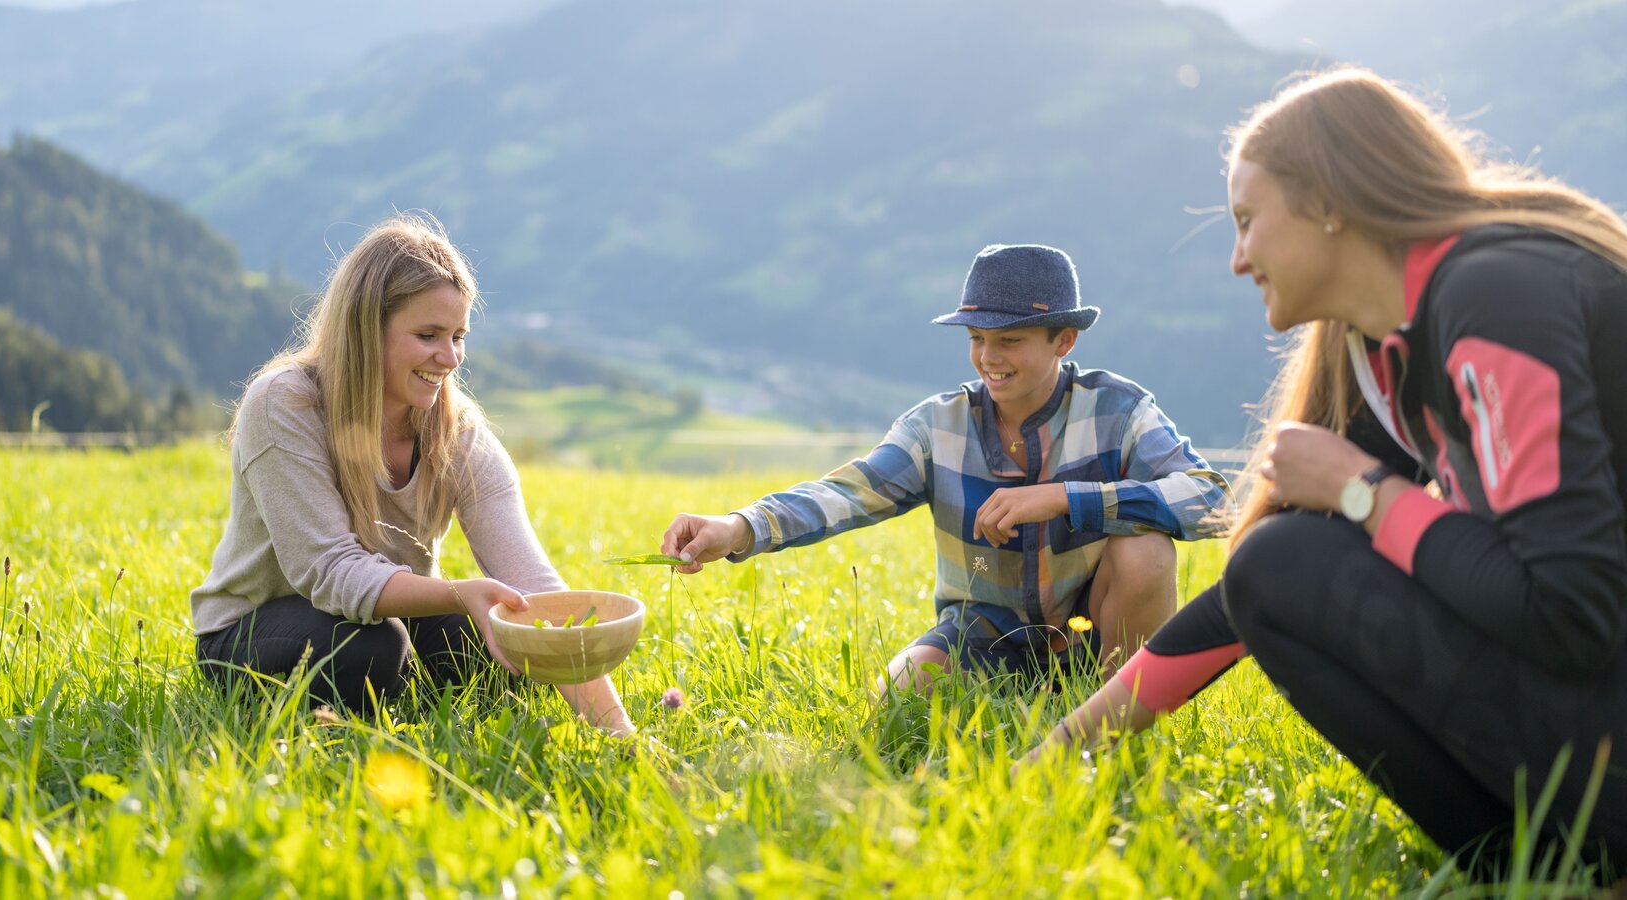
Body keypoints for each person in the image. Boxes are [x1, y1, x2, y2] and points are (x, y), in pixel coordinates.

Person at [1031, 67, 1627, 880]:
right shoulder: (1387, 349)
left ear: (1328, 203)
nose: (1239, 259)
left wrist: (1364, 493)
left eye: (1247, 221)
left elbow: (1567, 609)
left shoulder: (1498, 296)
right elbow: (1261, 593)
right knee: (1275, 565)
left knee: (1282, 560)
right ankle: (1540, 868)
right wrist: (1057, 752)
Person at [660, 243, 1230, 690]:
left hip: (1091, 630)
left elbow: (1212, 500)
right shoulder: (936, 427)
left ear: (1065, 340)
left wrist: (1065, 497)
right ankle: (1029, 703)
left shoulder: (1120, 409)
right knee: (897, 699)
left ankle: (1114, 721)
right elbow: (847, 493)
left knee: (1146, 551)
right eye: (978, 338)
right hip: (981, 634)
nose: (988, 357)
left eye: (1010, 339)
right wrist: (737, 528)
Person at [190, 214, 634, 736]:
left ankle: (404, 706)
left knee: (506, 637)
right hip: (252, 630)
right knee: (372, 649)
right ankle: (344, 713)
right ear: (364, 328)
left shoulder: (457, 428)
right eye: (428, 335)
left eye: (459, 336)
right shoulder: (286, 402)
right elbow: (330, 572)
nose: (449, 358)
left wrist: (620, 735)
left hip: (385, 618)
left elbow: (532, 588)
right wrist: (456, 592)